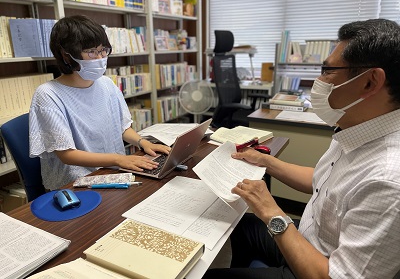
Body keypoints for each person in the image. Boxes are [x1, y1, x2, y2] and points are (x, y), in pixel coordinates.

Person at [203, 19, 400, 279]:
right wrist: (267, 163)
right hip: (307, 239)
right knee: (238, 227)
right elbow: (323, 182)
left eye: (327, 71)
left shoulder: (387, 179)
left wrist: (271, 210)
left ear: (370, 82)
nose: (318, 81)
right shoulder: (354, 126)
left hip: (317, 268)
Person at [29, 15, 171, 190]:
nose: (100, 57)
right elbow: (67, 154)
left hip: (114, 172)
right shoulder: (48, 94)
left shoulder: (106, 84)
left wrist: (143, 142)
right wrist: (119, 159)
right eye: (91, 52)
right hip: (76, 183)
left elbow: (122, 127)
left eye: (103, 50)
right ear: (67, 56)